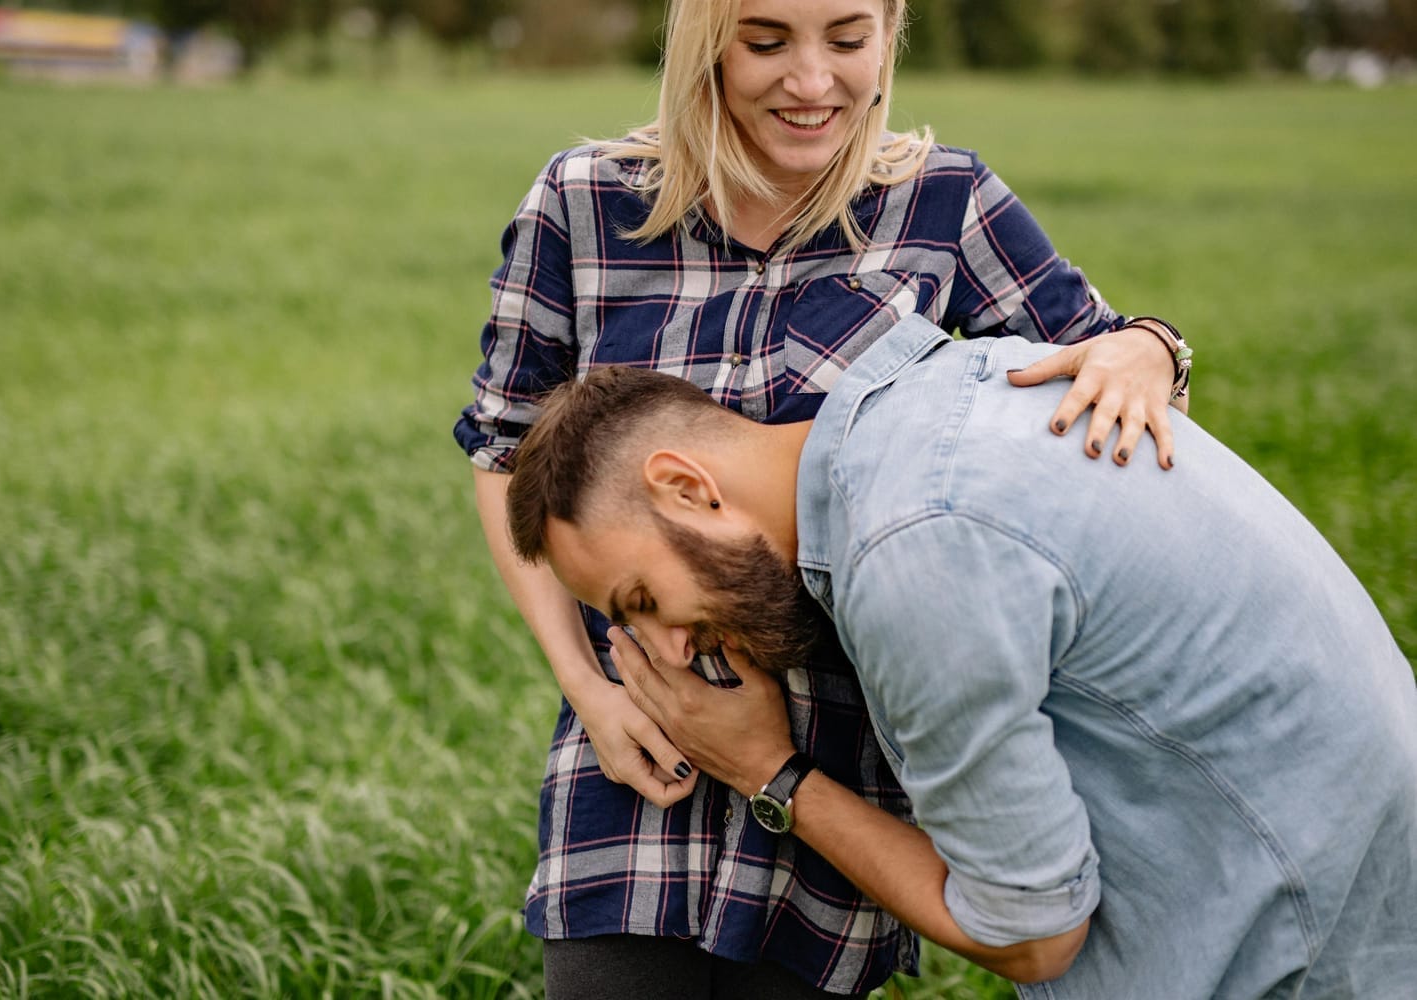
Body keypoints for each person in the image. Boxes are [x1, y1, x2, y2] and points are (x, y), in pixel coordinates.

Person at [455, 0, 1196, 993]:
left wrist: (1150, 349)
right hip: (640, 756)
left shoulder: (945, 202)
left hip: (839, 776)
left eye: (847, 39)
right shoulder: (585, 203)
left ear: (889, 34)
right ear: (704, 46)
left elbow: (1099, 355)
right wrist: (590, 690)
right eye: (766, 42)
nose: (812, 81)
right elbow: (505, 452)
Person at [500, 314, 1417, 997]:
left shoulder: (909, 553)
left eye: (644, 601)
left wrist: (764, 770)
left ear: (686, 487)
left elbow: (1032, 934)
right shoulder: (958, 386)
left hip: (1296, 947)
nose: (664, 650)